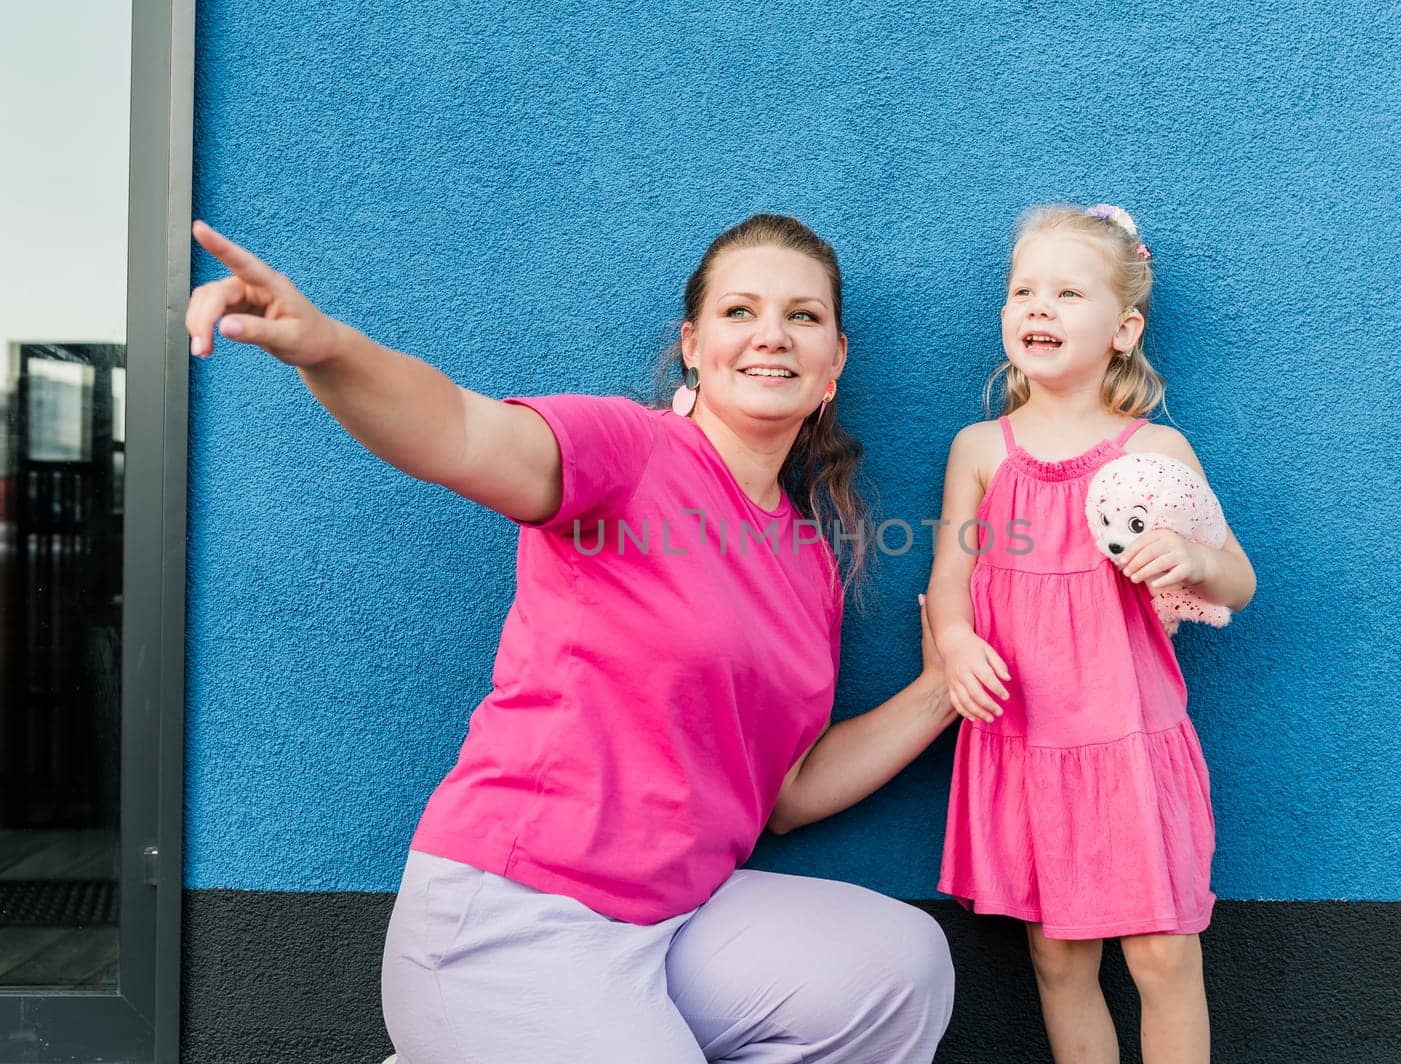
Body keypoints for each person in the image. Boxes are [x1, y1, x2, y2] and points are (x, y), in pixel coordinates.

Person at [185, 213, 957, 1063]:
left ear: (834, 362)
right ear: (693, 345)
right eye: (741, 312)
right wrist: (327, 348)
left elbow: (788, 790)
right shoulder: (629, 450)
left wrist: (940, 691)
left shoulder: (809, 560)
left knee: (898, 967)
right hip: (518, 915)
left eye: (802, 316)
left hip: (675, 921)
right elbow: (459, 431)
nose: (771, 335)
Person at [924, 204, 1256, 1064]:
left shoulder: (1154, 452)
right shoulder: (979, 451)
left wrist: (1189, 554)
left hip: (1127, 744)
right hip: (1027, 743)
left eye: (1068, 292)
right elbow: (951, 577)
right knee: (1058, 958)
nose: (1039, 307)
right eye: (1023, 291)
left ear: (1123, 328)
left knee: (1162, 953)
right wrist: (956, 644)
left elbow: (1239, 581)